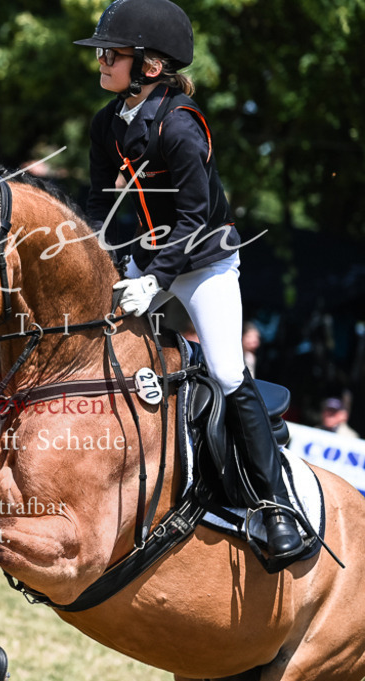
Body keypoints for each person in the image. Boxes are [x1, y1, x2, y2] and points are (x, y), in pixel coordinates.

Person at [76, 0, 303, 558]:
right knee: (86, 336)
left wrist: (153, 282)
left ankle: (276, 507)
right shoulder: (107, 123)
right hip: (149, 259)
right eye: (102, 52)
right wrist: (93, 262)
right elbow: (98, 207)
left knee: (227, 369)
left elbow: (195, 218)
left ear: (150, 66)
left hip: (205, 264)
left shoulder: (180, 126)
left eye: (112, 54)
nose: (101, 61)